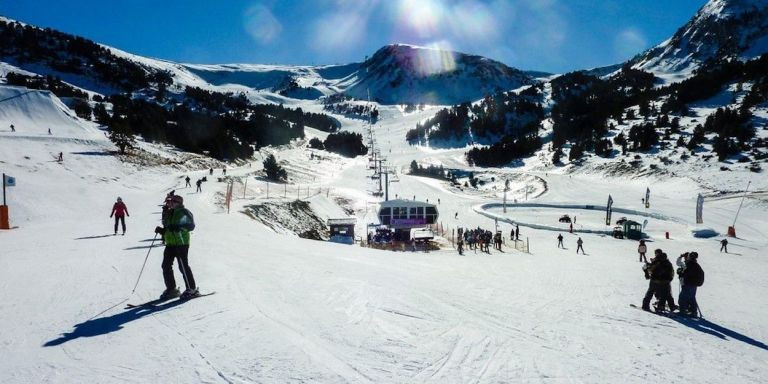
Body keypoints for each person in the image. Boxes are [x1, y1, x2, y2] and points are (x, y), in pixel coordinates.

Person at [155, 195, 198, 300]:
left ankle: (191, 289)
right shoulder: (170, 212)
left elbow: (191, 226)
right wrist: (162, 231)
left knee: (183, 266)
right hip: (170, 243)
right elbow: (169, 227)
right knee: (165, 265)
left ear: (179, 202)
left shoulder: (184, 212)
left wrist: (179, 227)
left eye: (173, 201)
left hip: (181, 243)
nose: (170, 203)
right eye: (170, 201)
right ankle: (171, 289)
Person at [677, 252, 704, 317]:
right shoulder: (695, 264)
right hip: (693, 284)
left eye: (688, 256)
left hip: (689, 284)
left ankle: (683, 311)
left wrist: (681, 273)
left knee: (682, 297)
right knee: (691, 298)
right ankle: (693, 312)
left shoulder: (690, 264)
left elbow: (687, 273)